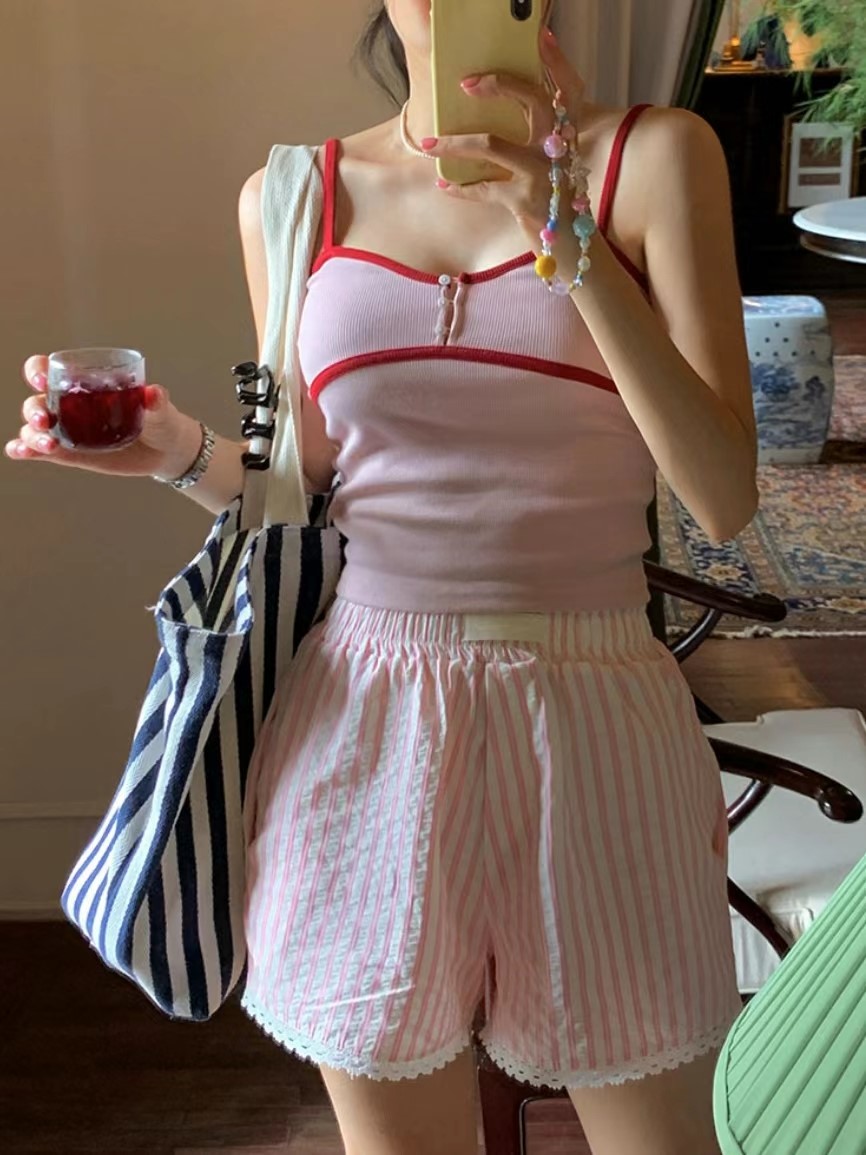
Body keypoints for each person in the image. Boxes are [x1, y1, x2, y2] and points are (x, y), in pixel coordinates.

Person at [8, 3, 759, 1153]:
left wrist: (561, 233)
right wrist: (174, 453)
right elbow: (306, 487)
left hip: (595, 712)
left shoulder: (653, 158)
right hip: (364, 722)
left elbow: (719, 496)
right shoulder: (291, 197)